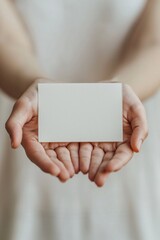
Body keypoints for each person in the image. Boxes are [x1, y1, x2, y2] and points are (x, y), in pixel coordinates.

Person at [0, 0, 160, 239]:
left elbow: (154, 43)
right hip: (31, 161)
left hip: (129, 166)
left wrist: (119, 94)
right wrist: (35, 87)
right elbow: (5, 38)